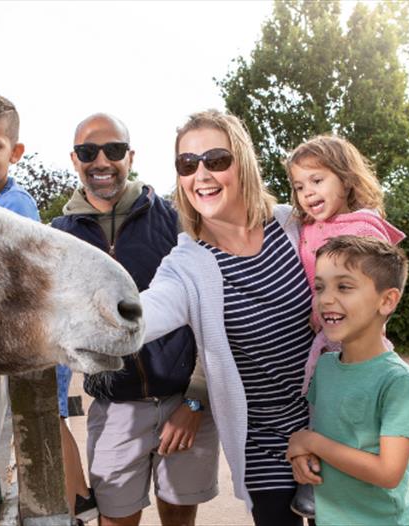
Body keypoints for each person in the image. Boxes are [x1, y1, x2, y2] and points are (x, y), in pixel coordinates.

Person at [140, 109, 314, 526]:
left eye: (216, 160)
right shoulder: (186, 264)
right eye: (188, 163)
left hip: (332, 426)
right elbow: (144, 312)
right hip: (262, 443)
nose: (201, 174)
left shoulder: (295, 225)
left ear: (243, 162)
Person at [51, 113, 218, 526]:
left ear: (131, 156)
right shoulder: (58, 236)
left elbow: (210, 313)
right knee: (116, 520)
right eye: (89, 152)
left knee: (180, 520)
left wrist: (196, 398)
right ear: (75, 159)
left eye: (114, 150)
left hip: (184, 402)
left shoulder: (176, 221)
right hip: (114, 408)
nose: (102, 161)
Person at [0, 92, 95, 522]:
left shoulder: (17, 206)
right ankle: (79, 495)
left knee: (47, 418)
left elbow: (4, 276)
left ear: (14, 152)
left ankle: (72, 500)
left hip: (34, 337)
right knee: (40, 420)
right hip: (9, 340)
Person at [287, 235, 409, 526]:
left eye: (344, 287)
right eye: (320, 287)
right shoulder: (324, 368)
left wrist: (310, 441)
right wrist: (302, 454)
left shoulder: (399, 381)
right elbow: (324, 437)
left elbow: (388, 473)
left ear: (387, 300)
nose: (326, 299)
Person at [285, 134, 406, 398]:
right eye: (299, 186)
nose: (308, 192)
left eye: (317, 181)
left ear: (347, 179)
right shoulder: (306, 226)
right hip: (323, 341)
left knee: (361, 407)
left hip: (356, 339)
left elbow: (376, 286)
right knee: (328, 410)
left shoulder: (362, 228)